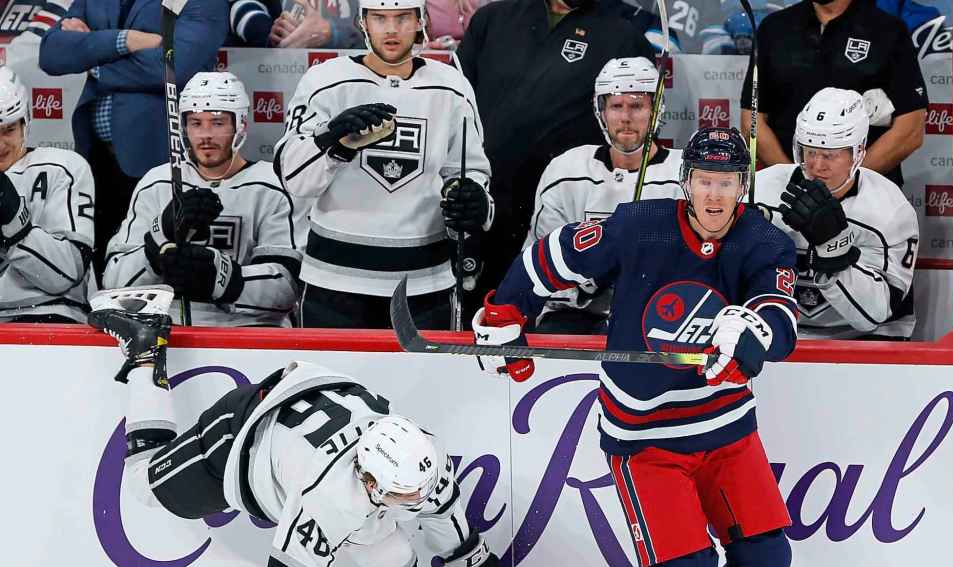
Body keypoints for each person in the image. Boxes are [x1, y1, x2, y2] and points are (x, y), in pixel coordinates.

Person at [87, 283, 505, 567]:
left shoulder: (421, 460)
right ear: (370, 481)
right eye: (403, 495)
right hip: (240, 437)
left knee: (389, 550)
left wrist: (470, 564)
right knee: (144, 485)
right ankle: (144, 350)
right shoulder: (327, 499)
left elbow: (441, 508)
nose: (417, 500)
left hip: (312, 405)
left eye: (419, 491)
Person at [473, 127, 798, 567]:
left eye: (727, 183)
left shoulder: (763, 240)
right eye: (705, 181)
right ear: (686, 182)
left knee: (767, 558)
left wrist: (753, 331)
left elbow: (779, 316)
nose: (715, 196)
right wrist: (507, 311)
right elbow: (553, 258)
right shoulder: (639, 225)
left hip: (727, 432)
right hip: (647, 438)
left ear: (743, 186)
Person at [275, 0, 492, 329]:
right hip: (333, 283)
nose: (391, 29)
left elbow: (470, 171)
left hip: (425, 285)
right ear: (363, 22)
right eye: (380, 18)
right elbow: (294, 179)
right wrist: (332, 141)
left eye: (402, 17)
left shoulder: (452, 86)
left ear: (420, 20)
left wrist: (471, 198)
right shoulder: (324, 80)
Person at [456, 0, 654, 319]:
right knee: (480, 318)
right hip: (488, 206)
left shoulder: (623, 35)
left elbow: (635, 133)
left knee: (547, 320)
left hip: (564, 213)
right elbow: (454, 103)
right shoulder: (493, 19)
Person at [37, 0, 228, 280]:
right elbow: (51, 53)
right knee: (100, 271)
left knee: (159, 267)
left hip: (161, 159)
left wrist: (94, 62)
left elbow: (174, 65)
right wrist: (126, 40)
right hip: (96, 160)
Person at [103, 72, 305, 327]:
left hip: (246, 329)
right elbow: (114, 281)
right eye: (196, 123)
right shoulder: (157, 182)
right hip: (167, 327)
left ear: (241, 124)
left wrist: (219, 276)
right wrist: (159, 238)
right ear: (183, 127)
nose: (205, 135)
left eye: (218, 123)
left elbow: (286, 289)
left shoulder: (273, 185)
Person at [523, 56, 683, 333]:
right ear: (601, 111)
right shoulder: (566, 171)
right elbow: (540, 261)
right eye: (616, 106)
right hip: (577, 315)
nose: (625, 117)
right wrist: (588, 280)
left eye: (637, 106)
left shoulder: (685, 174)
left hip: (659, 315)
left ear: (656, 110)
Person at [754, 87, 918, 339]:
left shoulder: (890, 210)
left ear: (858, 152)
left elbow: (876, 314)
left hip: (865, 337)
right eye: (810, 152)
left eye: (830, 155)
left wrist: (833, 250)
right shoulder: (761, 190)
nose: (817, 166)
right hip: (781, 330)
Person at [740, 0, 928, 187]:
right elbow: (752, 120)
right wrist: (792, 180)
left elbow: (911, 128)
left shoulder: (888, 31)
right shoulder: (774, 28)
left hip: (866, 194)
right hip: (785, 193)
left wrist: (847, 183)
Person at [0, 67, 94, 323]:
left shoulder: (63, 167)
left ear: (25, 123)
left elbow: (67, 274)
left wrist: (17, 226)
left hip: (50, 315)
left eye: (8, 130)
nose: (0, 144)